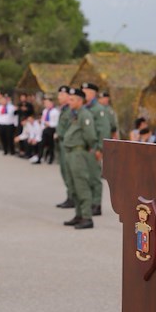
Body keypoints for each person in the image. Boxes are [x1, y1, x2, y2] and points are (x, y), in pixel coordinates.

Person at [63, 88, 97, 230]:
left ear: (79, 100)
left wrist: (91, 148)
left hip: (79, 153)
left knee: (81, 185)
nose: (68, 101)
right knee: (73, 185)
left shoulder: (85, 115)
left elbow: (90, 135)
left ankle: (87, 217)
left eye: (72, 99)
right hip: (70, 153)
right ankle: (79, 214)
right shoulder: (75, 114)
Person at [81, 82, 112, 216]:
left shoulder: (99, 109)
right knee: (86, 177)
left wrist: (100, 148)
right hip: (84, 148)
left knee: (94, 177)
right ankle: (88, 203)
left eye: (86, 91)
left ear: (93, 93)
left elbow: (104, 130)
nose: (83, 93)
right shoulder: (84, 107)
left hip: (94, 148)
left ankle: (96, 204)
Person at [55, 85, 75, 209]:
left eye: (62, 95)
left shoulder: (71, 111)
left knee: (69, 172)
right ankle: (70, 196)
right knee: (64, 171)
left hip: (67, 143)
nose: (59, 97)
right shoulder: (64, 109)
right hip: (62, 143)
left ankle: (73, 198)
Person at [35, 94, 60, 164]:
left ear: (51, 103)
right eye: (45, 103)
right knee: (41, 144)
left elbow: (57, 123)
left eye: (47, 103)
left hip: (52, 129)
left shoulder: (55, 112)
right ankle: (39, 157)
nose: (45, 104)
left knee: (51, 145)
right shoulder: (45, 111)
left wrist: (49, 124)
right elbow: (43, 120)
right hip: (45, 129)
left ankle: (50, 158)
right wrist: (43, 126)